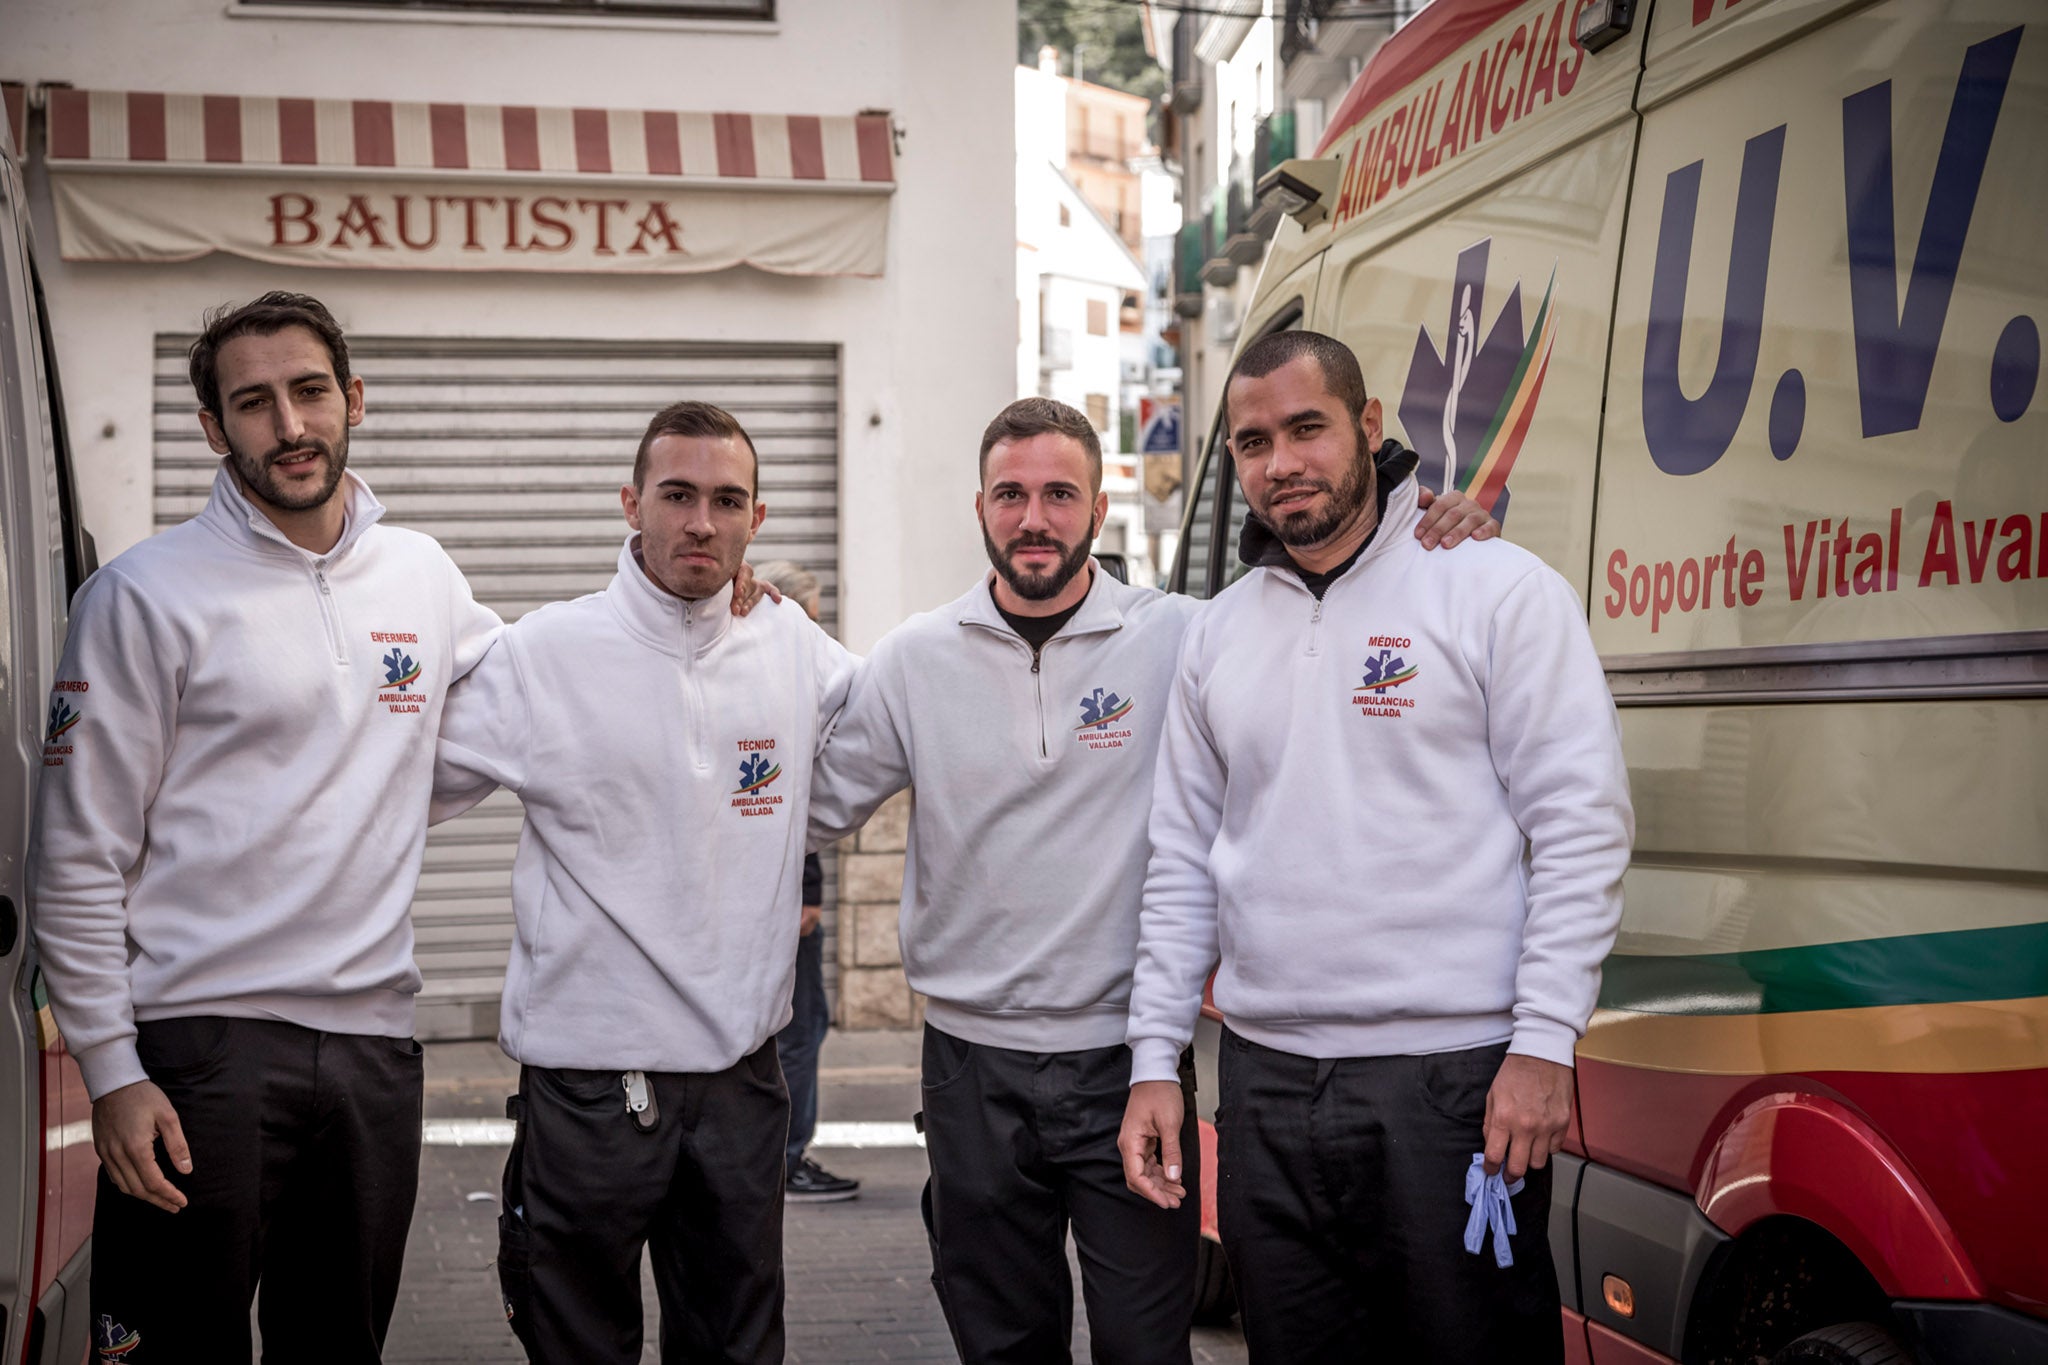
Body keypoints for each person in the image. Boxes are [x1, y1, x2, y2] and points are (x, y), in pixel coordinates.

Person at [807, 396, 1496, 1364]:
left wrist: (1433, 535)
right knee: (1000, 1344)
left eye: (1058, 493)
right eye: (1010, 494)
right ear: (978, 509)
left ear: (1097, 507)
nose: (1033, 518)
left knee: (1145, 1347)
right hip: (970, 1068)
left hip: (1128, 1068)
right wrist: (735, 627)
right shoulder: (914, 660)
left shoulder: (1185, 635)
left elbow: (1335, 608)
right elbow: (800, 807)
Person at [1118, 331, 1634, 1363]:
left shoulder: (1493, 588)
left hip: (1447, 1089)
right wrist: (1151, 1060)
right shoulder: (1219, 632)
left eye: (1305, 428)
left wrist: (1540, 1044)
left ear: (1366, 426)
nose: (1280, 463)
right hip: (1266, 1089)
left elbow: (1579, 823)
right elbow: (1180, 859)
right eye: (1252, 441)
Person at [26, 292, 502, 1362]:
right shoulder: (142, 595)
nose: (288, 425)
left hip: (375, 1048)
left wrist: (706, 609)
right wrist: (112, 1068)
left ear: (354, 401)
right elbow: (76, 851)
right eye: (253, 402)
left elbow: (535, 709)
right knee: (176, 1350)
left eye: (309, 391)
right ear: (212, 428)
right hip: (202, 1053)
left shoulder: (423, 577)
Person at [433, 401, 855, 1364]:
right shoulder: (545, 652)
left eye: (725, 499)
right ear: (631, 502)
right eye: (676, 495)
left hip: (742, 1086)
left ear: (756, 518)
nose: (700, 521)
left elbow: (889, 739)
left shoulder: (793, 646)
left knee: (738, 1350)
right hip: (588, 1088)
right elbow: (392, 785)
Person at [751, 559, 861, 1205]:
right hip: (784, 901)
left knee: (801, 1027)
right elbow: (789, 798)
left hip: (782, 896)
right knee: (798, 1030)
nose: (816, 634)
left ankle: (783, 1155)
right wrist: (808, 894)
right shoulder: (777, 675)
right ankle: (786, 1158)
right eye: (809, 617)